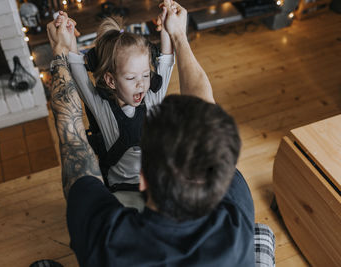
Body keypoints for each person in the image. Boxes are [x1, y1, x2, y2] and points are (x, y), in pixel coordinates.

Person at [46, 0, 255, 266]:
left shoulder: (108, 239)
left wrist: (60, 50)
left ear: (144, 180)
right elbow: (204, 107)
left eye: (144, 76)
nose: (141, 85)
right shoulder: (237, 216)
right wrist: (177, 34)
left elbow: (71, 137)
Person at [53, 7, 174, 210]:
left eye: (145, 75)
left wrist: (167, 28)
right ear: (110, 80)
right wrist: (69, 39)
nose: (141, 84)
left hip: (157, 184)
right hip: (123, 192)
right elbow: (79, 74)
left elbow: (167, 59)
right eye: (130, 78)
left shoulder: (153, 98)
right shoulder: (103, 109)